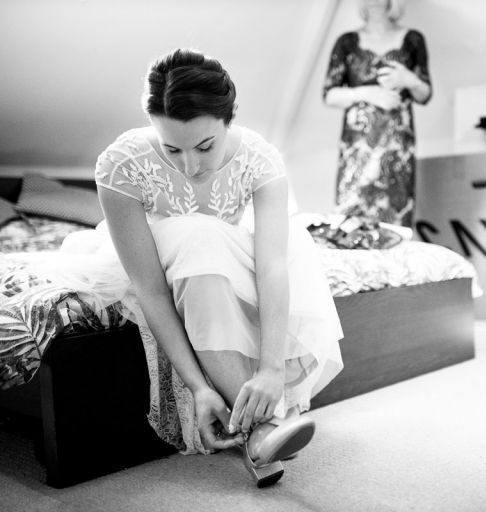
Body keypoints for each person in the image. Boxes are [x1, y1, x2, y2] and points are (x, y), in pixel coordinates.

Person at [75, 48, 342, 487]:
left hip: (226, 258)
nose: (191, 166)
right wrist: (198, 387)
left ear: (228, 121)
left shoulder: (260, 159)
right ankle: (260, 430)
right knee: (198, 239)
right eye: (171, 149)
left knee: (285, 242)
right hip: (164, 264)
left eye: (204, 146)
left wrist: (273, 367)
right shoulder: (121, 165)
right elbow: (151, 290)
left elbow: (273, 265)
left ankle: (259, 421)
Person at [323, 0, 431, 227]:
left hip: (397, 149)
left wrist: (409, 80)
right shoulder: (346, 42)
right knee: (350, 223)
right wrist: (365, 93)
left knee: (396, 223)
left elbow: (424, 94)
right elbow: (329, 95)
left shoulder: (413, 39)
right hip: (358, 150)